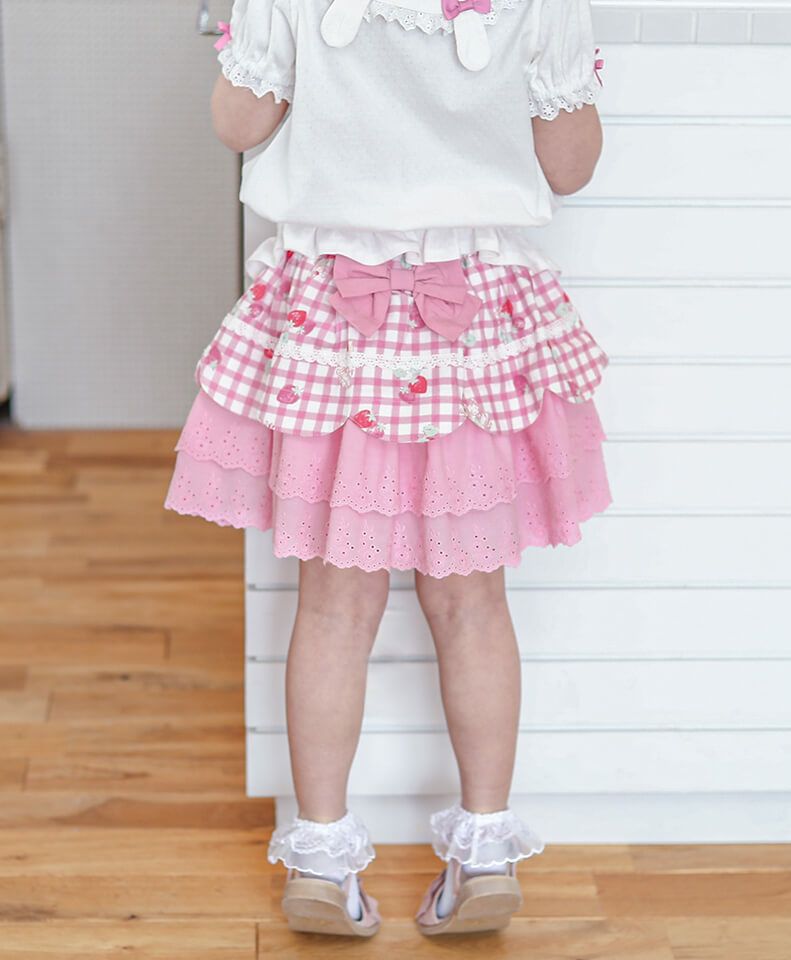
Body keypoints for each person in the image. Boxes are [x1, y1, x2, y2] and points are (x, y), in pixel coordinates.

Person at [165, 0, 612, 937]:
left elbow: (237, 125)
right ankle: (484, 851)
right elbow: (570, 165)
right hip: (475, 320)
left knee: (332, 606)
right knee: (474, 604)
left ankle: (320, 861)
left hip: (335, 315)